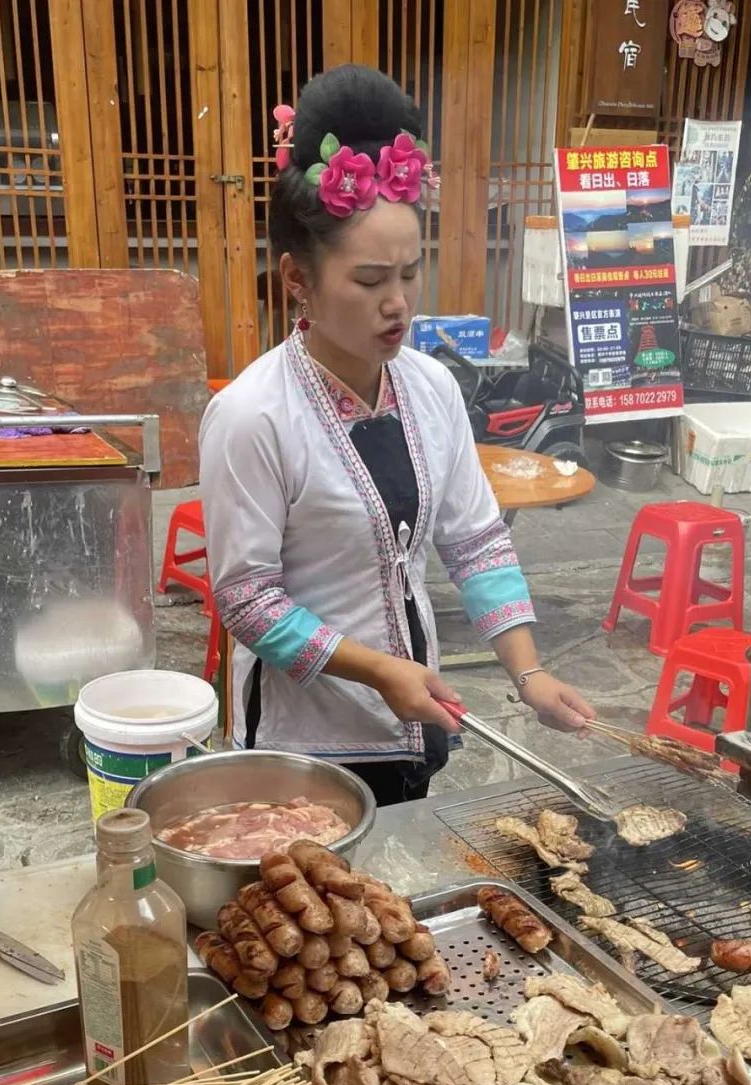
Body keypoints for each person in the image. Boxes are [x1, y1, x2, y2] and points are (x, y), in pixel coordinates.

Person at [200, 65, 594, 807]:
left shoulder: (431, 387)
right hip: (307, 747)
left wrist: (529, 673)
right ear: (296, 278)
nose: (399, 304)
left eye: (411, 273)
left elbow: (475, 541)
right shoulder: (253, 415)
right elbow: (249, 603)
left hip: (418, 719)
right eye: (370, 279)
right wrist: (381, 671)